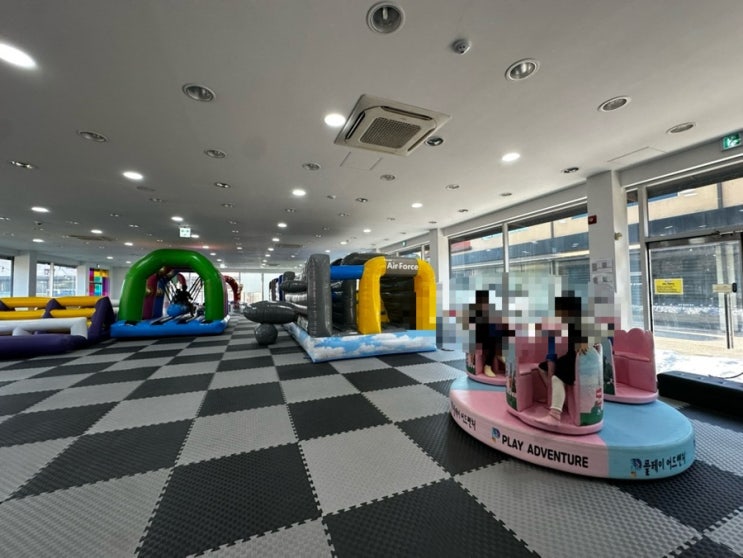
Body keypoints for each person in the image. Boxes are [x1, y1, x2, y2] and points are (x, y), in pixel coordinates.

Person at [535, 295, 588, 424]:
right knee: (542, 367)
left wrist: (585, 341)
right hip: (571, 357)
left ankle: (555, 415)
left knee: (556, 377)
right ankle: (557, 397)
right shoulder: (571, 323)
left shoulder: (580, 323)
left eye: (558, 310)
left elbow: (587, 338)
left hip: (578, 362)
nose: (557, 314)